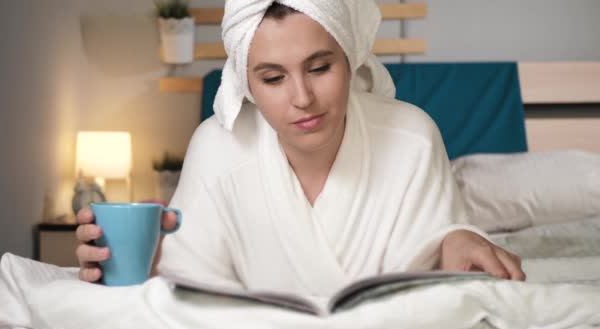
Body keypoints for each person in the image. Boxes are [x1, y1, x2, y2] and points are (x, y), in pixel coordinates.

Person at [76, 0, 525, 295]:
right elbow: (187, 282)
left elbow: (441, 251)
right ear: (245, 83)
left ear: (350, 59)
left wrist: (459, 239)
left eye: (320, 67)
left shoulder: (411, 136)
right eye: (272, 78)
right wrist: (137, 262)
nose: (302, 98)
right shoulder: (217, 146)